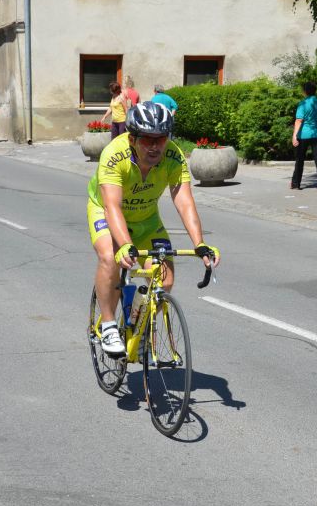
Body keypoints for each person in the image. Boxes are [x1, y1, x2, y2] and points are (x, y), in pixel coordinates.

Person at [87, 101, 221, 355]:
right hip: (106, 212)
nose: (155, 146)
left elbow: (184, 200)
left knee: (165, 279)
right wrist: (125, 245)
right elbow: (112, 206)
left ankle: (138, 321)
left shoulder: (173, 155)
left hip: (147, 218)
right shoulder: (115, 155)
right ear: (132, 138)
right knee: (110, 258)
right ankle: (107, 325)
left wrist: (199, 244)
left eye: (161, 138)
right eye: (148, 139)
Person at [291, 81, 317, 192]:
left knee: (300, 159)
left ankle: (295, 183)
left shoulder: (303, 103)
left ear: (304, 91)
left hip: (304, 134)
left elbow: (299, 120)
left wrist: (294, 136)